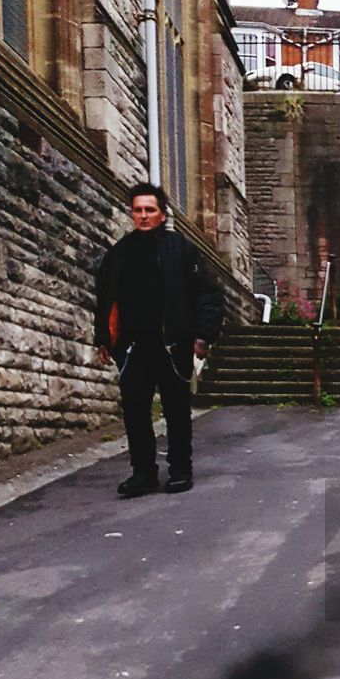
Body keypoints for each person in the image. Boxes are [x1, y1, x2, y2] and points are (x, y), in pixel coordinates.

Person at [94, 183, 223, 496]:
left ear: (162, 213)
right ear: (131, 213)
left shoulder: (182, 250)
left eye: (149, 210)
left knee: (177, 411)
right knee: (136, 413)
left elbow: (207, 294)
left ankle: (180, 470)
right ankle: (143, 473)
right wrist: (104, 339)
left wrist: (203, 336)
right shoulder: (119, 253)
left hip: (172, 346)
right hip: (133, 348)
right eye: (137, 210)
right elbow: (105, 298)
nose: (143, 215)